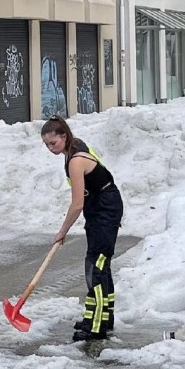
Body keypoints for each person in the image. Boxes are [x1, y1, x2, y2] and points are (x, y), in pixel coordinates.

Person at [41, 117, 124, 342]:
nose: (50, 149)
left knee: (95, 266)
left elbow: (77, 203)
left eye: (53, 143)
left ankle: (96, 328)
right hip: (101, 205)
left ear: (64, 137)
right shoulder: (75, 146)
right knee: (100, 264)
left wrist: (63, 231)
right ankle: (102, 318)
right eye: (46, 145)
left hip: (104, 208)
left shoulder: (76, 161)